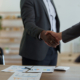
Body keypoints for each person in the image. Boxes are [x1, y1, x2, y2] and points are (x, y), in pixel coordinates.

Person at [19, 0, 60, 65]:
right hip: (35, 52)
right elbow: (28, 24)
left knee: (52, 75)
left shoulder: (50, 1)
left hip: (53, 50)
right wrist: (42, 34)